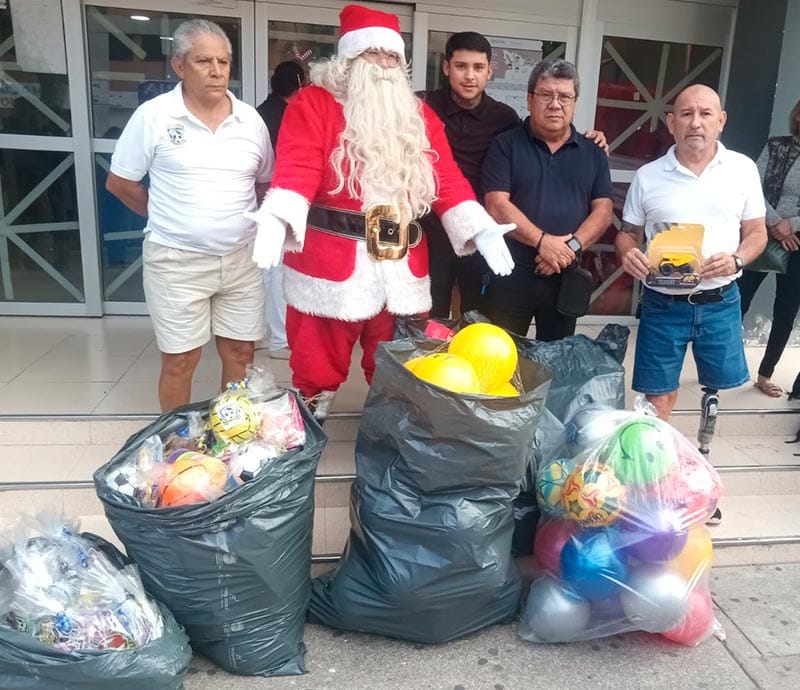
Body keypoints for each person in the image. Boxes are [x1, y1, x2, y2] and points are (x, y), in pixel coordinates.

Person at [245, 4, 516, 420]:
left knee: (400, 363)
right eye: (374, 54)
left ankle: (392, 434)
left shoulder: (417, 114)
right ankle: (306, 433)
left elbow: (445, 176)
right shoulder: (313, 104)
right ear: (350, 57)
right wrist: (278, 215)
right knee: (316, 365)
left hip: (400, 265)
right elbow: (297, 166)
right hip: (331, 264)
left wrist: (478, 226)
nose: (385, 65)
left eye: (392, 56)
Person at [107, 19, 274, 412]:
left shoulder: (250, 120)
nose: (217, 71)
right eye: (204, 61)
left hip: (241, 261)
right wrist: (168, 215)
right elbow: (120, 183)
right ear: (179, 65)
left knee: (240, 353)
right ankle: (174, 446)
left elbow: (264, 183)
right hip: (176, 261)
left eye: (224, 61)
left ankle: (231, 435)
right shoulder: (155, 116)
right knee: (181, 359)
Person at [616, 84, 767, 437]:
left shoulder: (742, 169)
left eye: (705, 114)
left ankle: (699, 461)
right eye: (686, 114)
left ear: (721, 121)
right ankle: (650, 467)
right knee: (657, 397)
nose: (695, 123)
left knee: (715, 394)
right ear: (671, 123)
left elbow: (758, 233)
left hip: (720, 300)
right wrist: (628, 254)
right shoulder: (648, 176)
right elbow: (627, 233)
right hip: (662, 303)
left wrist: (737, 260)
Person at [481, 58, 613, 340]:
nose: (555, 104)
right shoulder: (506, 144)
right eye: (546, 95)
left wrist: (569, 248)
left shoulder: (593, 151)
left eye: (565, 96)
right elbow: (496, 204)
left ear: (575, 102)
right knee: (499, 355)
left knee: (557, 362)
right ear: (530, 100)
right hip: (511, 273)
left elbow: (603, 210)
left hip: (565, 274)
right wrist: (543, 242)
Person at [419, 32, 520, 319]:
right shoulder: (422, 107)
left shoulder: (504, 118)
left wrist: (588, 139)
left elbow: (538, 143)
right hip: (429, 228)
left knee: (475, 313)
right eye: (461, 66)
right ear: (447, 67)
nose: (469, 76)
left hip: (480, 231)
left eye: (478, 67)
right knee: (429, 313)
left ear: (490, 71)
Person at [738, 97, 800, 398]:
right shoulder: (777, 146)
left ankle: (765, 375)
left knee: (786, 310)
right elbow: (752, 187)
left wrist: (794, 224)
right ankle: (722, 364)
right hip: (763, 233)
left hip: (798, 241)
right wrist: (776, 223)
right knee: (739, 300)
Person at [255, 61, 308, 360]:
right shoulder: (288, 115)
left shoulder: (260, 113)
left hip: (262, 197)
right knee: (278, 270)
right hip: (281, 197)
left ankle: (261, 333)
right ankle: (280, 339)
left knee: (264, 268)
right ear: (299, 84)